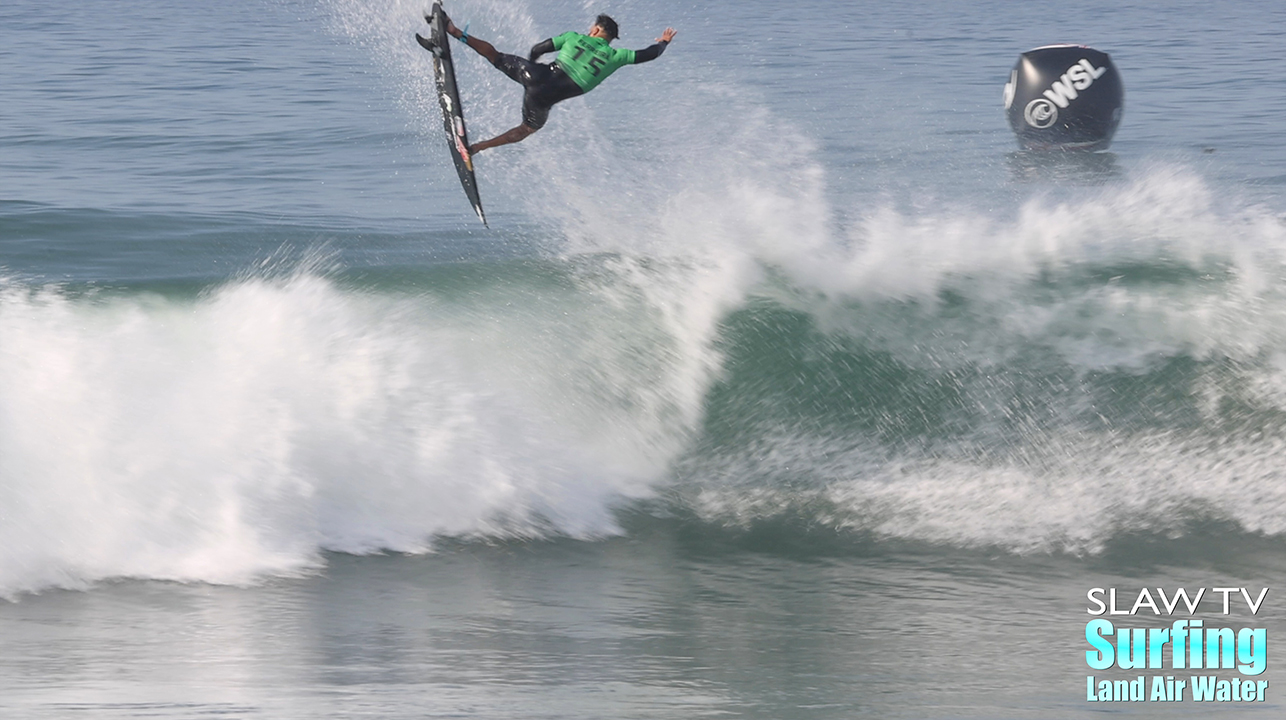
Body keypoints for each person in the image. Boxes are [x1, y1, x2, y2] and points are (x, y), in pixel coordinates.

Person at [438, 11, 677, 156]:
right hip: (544, 98)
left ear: (595, 30)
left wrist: (530, 69)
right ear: (610, 38)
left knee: (496, 56)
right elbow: (650, 54)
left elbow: (538, 49)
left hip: (535, 74)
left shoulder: (574, 37)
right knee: (526, 129)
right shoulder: (617, 56)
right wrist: (664, 42)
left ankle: (454, 31)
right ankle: (476, 148)